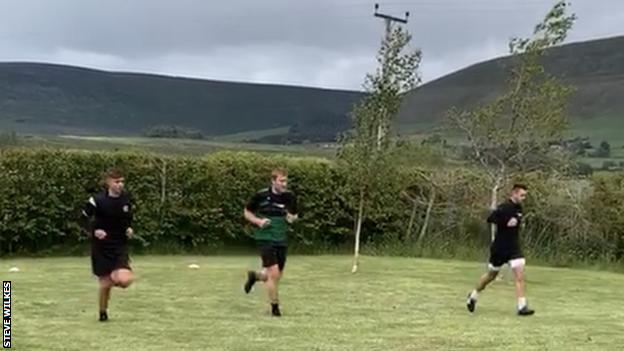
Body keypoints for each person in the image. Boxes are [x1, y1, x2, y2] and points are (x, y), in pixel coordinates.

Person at [466, 184, 535, 316]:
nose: (524, 198)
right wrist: (505, 223)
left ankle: (522, 307)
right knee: (491, 275)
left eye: (525, 195)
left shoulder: (519, 208)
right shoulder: (503, 208)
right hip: (500, 248)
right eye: (522, 195)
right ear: (514, 194)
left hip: (514, 248)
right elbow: (490, 218)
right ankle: (473, 296)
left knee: (519, 276)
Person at [243, 168, 298, 317]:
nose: (284, 184)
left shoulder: (290, 197)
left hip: (281, 238)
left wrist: (290, 218)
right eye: (281, 181)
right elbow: (247, 212)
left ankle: (255, 276)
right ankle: (275, 308)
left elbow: (293, 215)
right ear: (273, 181)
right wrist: (259, 221)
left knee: (275, 275)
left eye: (286, 181)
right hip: (264, 237)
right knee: (273, 272)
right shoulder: (261, 195)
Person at [81, 168, 135, 322]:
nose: (120, 184)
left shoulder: (126, 199)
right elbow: (82, 219)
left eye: (122, 181)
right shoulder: (96, 200)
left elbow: (127, 218)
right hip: (101, 247)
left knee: (125, 280)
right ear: (108, 182)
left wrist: (129, 228)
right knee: (104, 286)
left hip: (119, 246)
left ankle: (112, 277)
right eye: (117, 181)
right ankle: (103, 314)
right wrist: (94, 231)